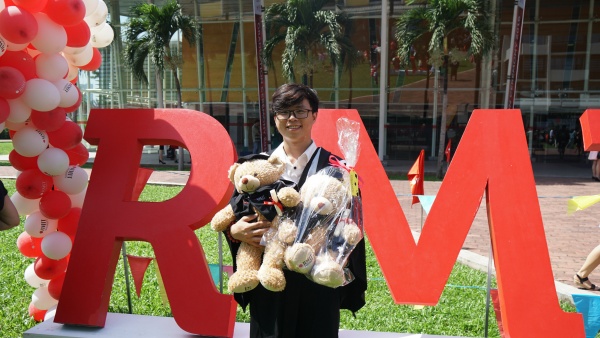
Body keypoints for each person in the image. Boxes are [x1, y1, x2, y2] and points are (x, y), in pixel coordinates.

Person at [224, 83, 367, 338]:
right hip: (269, 282)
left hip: (317, 284)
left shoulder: (337, 168)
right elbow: (235, 213)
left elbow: (351, 223)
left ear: (314, 115)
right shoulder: (256, 167)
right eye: (284, 111)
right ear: (275, 117)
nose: (292, 118)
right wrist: (234, 230)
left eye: (300, 111)